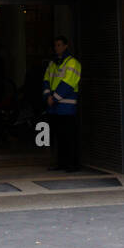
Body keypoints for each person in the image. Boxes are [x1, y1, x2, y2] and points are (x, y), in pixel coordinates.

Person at [43, 36, 81, 172]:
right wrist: (48, 96)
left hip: (67, 107)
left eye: (59, 45)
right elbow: (46, 80)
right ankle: (61, 163)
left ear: (65, 46)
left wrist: (54, 97)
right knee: (59, 137)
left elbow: (68, 83)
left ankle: (72, 164)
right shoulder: (53, 64)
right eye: (55, 45)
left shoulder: (72, 63)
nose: (56, 48)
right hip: (54, 107)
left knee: (69, 137)